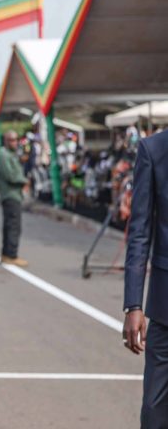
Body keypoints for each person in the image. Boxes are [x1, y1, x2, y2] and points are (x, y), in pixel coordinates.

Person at [123, 129, 168, 428]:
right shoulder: (153, 149)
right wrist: (133, 305)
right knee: (154, 408)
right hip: (164, 308)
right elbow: (139, 232)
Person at [0, 130, 28, 267]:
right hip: (10, 194)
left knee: (10, 225)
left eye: (16, 140)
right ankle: (11, 255)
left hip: (14, 194)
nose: (15, 142)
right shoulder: (3, 154)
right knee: (14, 226)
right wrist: (24, 181)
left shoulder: (11, 154)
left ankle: (6, 254)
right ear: (6, 141)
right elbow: (10, 175)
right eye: (12, 140)